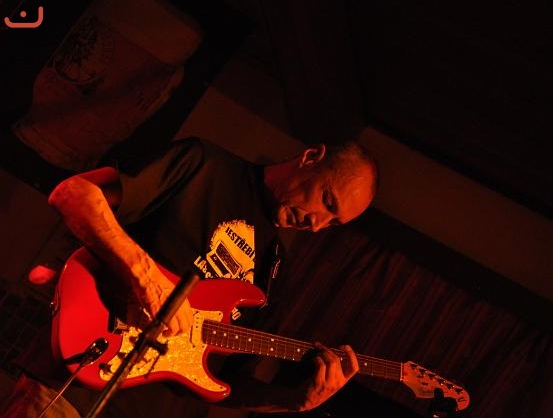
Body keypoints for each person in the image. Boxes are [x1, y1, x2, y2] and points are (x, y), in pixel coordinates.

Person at [1, 136, 378, 417]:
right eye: (328, 201)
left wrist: (295, 402)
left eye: (333, 223)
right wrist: (146, 277)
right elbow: (74, 193)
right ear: (311, 157)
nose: (318, 225)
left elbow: (228, 383)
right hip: (76, 384)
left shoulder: (275, 269)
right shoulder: (205, 166)